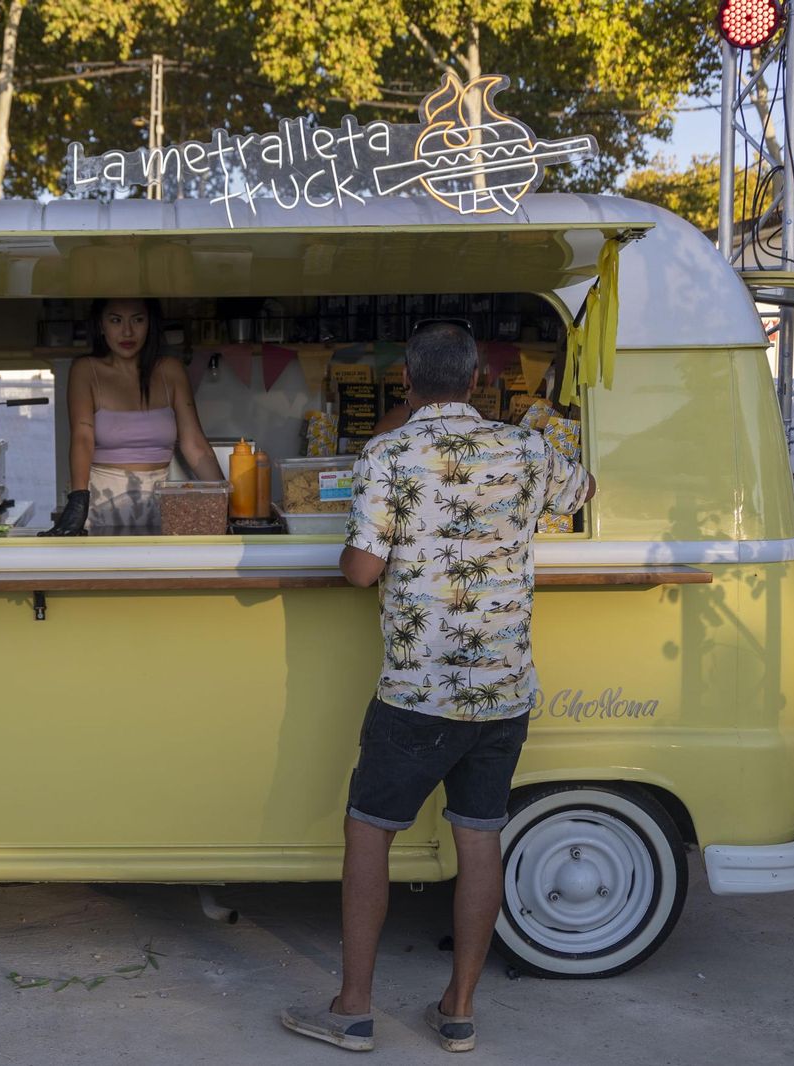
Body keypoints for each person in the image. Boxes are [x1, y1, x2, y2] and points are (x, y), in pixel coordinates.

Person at [280, 322, 595, 1054]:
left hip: (417, 693)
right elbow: (582, 492)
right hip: (503, 691)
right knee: (479, 840)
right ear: (480, 381)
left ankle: (353, 1009)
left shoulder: (388, 452)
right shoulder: (527, 448)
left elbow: (361, 570)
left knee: (369, 834)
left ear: (407, 384)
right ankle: (458, 1011)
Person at [41, 298, 225, 535]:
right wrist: (78, 500)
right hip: (101, 504)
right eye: (115, 320)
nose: (127, 331)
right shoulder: (85, 370)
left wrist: (226, 500)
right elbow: (82, 438)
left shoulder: (171, 370)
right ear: (100, 325)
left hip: (161, 503)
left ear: (150, 324)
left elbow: (195, 444)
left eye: (138, 320)